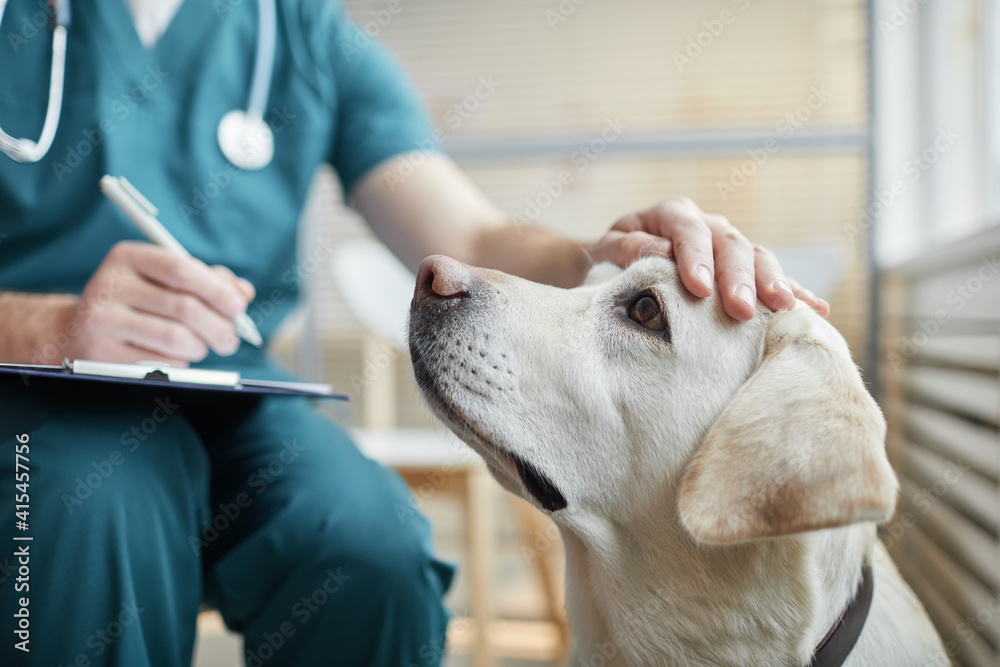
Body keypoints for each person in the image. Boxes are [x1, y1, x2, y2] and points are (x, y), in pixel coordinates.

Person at [0, 0, 828, 665]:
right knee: (90, 508)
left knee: (375, 549)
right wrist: (45, 324)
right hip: (29, 392)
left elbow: (469, 240)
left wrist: (598, 252)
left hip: (234, 390)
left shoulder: (301, 33)